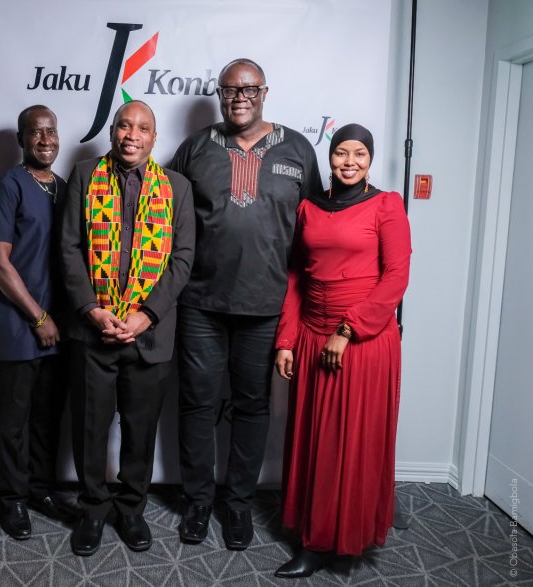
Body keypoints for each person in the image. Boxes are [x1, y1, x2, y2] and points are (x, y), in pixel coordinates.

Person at [170, 58, 322, 550]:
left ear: (265, 93)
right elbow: (165, 218)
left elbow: (316, 228)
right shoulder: (195, 148)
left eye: (249, 89)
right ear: (219, 95)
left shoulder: (298, 149)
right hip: (200, 303)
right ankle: (197, 501)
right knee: (197, 403)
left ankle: (237, 503)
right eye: (230, 89)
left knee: (253, 407)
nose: (240, 97)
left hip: (265, 306)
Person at [273, 123, 411, 578]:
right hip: (313, 336)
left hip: (362, 342)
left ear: (370, 160)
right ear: (329, 158)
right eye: (340, 153)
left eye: (359, 154)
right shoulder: (310, 207)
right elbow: (297, 276)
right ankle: (314, 539)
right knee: (316, 441)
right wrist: (287, 340)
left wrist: (347, 330)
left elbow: (396, 277)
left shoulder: (387, 206)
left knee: (354, 442)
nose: (349, 162)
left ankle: (347, 537)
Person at [59, 100, 195, 556]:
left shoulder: (177, 186)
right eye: (124, 125)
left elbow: (183, 258)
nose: (131, 135)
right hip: (93, 329)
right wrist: (89, 309)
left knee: (140, 430)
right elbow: (69, 247)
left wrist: (147, 314)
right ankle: (93, 509)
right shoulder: (84, 175)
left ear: (155, 138)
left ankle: (132, 509)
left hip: (149, 333)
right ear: (112, 131)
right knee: (90, 428)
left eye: (142, 128)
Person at [0, 105, 74, 540]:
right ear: (22, 139)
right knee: (15, 419)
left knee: (48, 415)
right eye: (35, 132)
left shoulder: (64, 186)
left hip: (61, 323)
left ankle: (42, 489)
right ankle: (14, 498)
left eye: (51, 131)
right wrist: (38, 316)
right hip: (23, 321)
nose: (45, 139)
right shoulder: (10, 185)